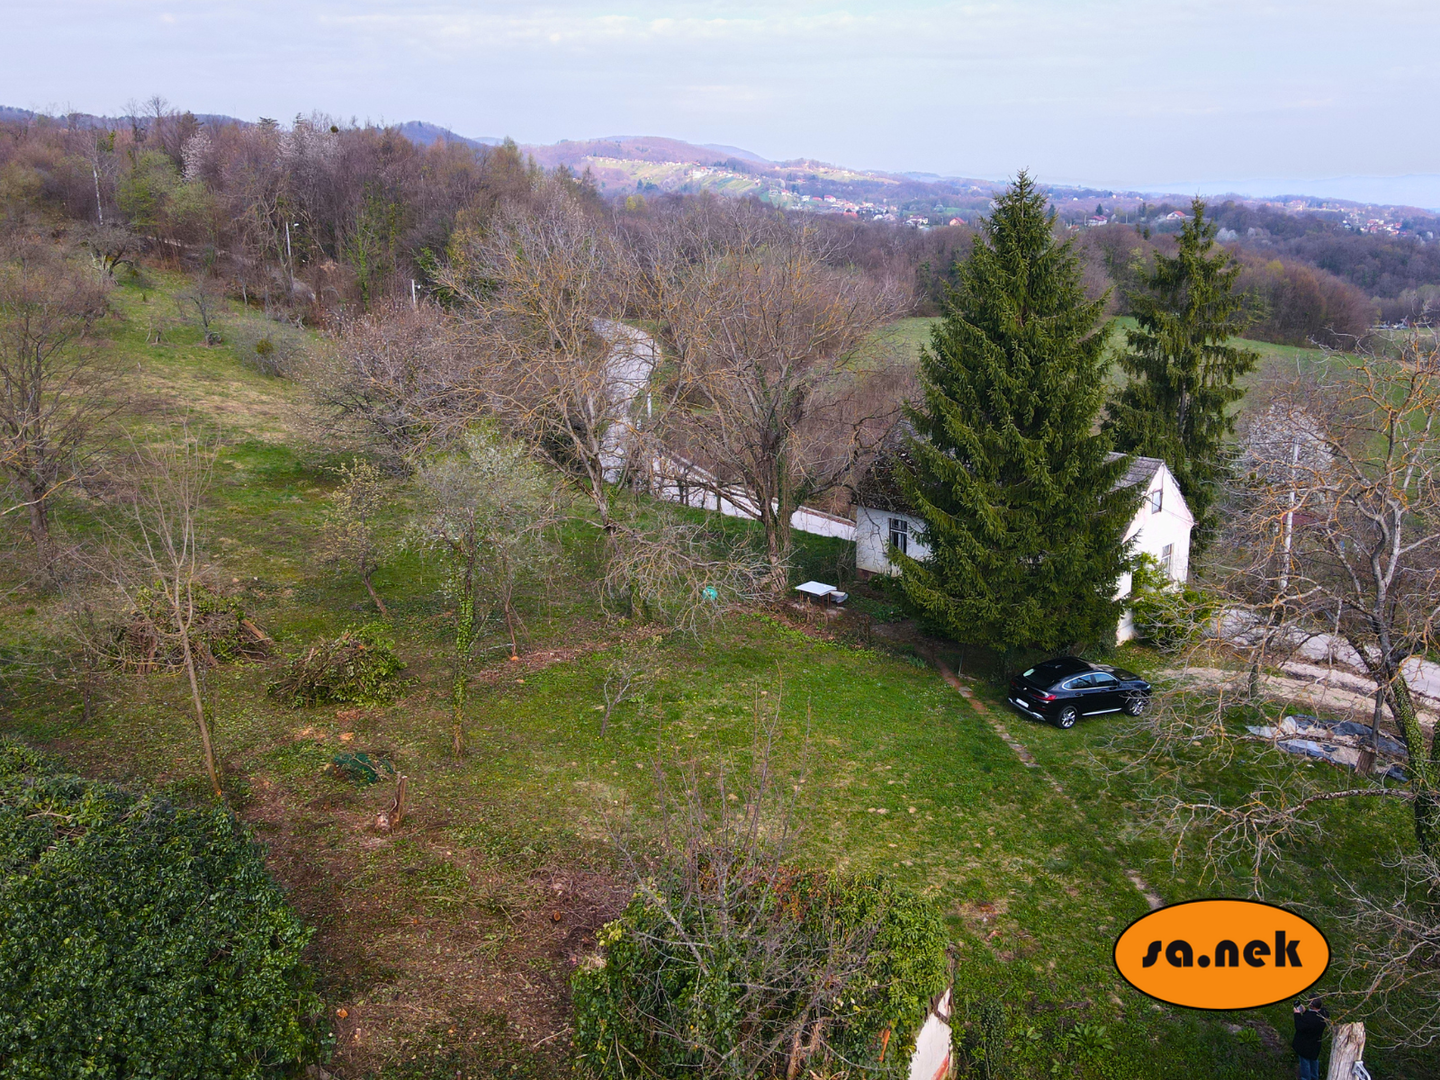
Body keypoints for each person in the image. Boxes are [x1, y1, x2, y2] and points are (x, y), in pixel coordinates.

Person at [1293, 998, 1329, 1080]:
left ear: (1311, 1005)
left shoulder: (1309, 1019)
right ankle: (1314, 1077)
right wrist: (1305, 1011)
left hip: (1304, 1045)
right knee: (1314, 1060)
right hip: (1315, 1043)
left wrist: (1297, 1014)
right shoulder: (1324, 1014)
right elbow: (1313, 1017)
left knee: (1305, 1063)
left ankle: (1306, 1078)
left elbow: (1299, 1026)